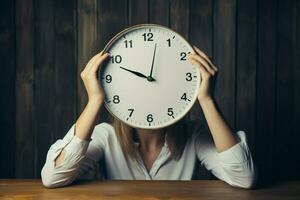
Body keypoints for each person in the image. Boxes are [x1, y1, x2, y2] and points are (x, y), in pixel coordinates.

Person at [41, 46, 256, 189]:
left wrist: (207, 99)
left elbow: (244, 177)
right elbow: (53, 177)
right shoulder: (106, 137)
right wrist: (95, 101)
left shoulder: (193, 136)